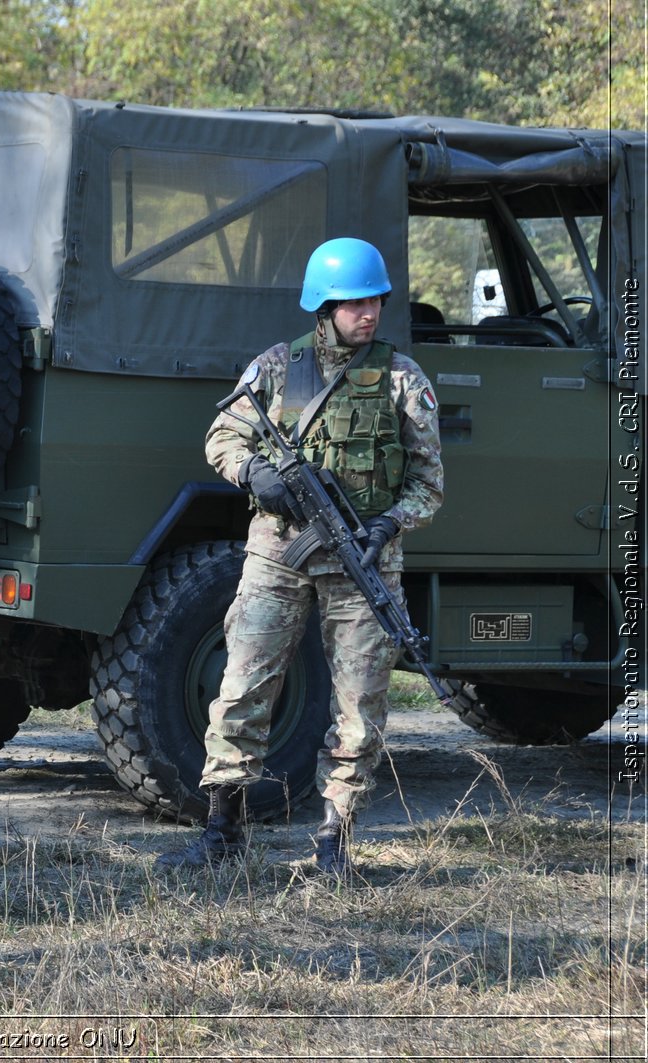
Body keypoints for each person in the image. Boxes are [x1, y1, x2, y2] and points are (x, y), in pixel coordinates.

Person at [157, 237, 443, 878]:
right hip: (279, 554)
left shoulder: (402, 379)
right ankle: (222, 831)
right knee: (241, 690)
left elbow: (429, 484)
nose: (367, 313)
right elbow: (223, 434)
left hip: (362, 562)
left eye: (374, 300)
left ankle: (333, 843)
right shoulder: (278, 368)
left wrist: (387, 524)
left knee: (360, 710)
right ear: (325, 305)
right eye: (353, 303)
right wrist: (254, 473)